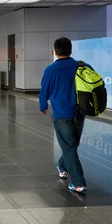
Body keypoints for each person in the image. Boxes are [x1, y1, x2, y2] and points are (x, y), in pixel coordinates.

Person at [39, 37, 88, 194]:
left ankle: (78, 183)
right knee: (71, 145)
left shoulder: (51, 70)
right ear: (70, 50)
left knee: (69, 147)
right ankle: (62, 165)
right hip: (79, 112)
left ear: (55, 51)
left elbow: (44, 90)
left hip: (61, 113)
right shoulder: (82, 66)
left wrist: (43, 106)